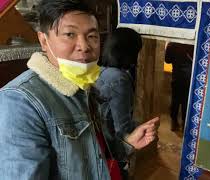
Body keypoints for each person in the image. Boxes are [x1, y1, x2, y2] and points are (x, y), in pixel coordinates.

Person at [0, 0, 159, 179]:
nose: (84, 46)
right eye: (70, 34)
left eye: (92, 36)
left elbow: (95, 153)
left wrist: (128, 144)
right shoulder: (20, 101)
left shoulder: (86, 87)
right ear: (44, 40)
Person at [94, 27, 142, 179]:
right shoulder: (119, 79)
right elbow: (121, 128)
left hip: (99, 147)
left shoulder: (98, 70)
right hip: (112, 149)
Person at [165, 42, 194, 131]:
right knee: (186, 100)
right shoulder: (192, 43)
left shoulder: (172, 44)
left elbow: (167, 60)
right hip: (189, 77)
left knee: (175, 100)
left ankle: (174, 123)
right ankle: (184, 124)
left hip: (177, 76)